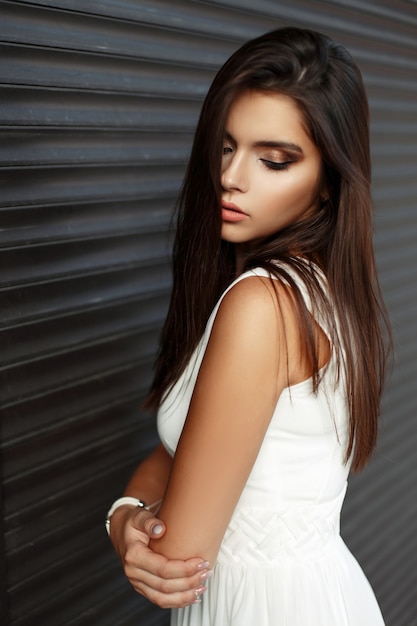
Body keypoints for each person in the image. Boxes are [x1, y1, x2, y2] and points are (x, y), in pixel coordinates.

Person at [106, 27, 392, 625]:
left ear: (328, 184)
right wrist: (128, 511)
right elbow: (173, 448)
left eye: (274, 160)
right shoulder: (323, 290)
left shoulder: (263, 304)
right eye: (226, 146)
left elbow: (175, 558)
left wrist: (127, 523)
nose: (233, 176)